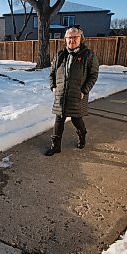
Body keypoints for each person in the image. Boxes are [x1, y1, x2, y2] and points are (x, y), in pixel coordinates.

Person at [45, 26, 99, 156]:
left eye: (75, 37)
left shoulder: (88, 55)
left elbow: (93, 75)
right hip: (61, 95)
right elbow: (51, 73)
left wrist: (84, 91)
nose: (72, 40)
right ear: (65, 39)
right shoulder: (60, 55)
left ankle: (82, 136)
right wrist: (53, 87)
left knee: (76, 119)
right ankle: (56, 145)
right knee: (59, 119)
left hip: (77, 95)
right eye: (69, 37)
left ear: (81, 39)